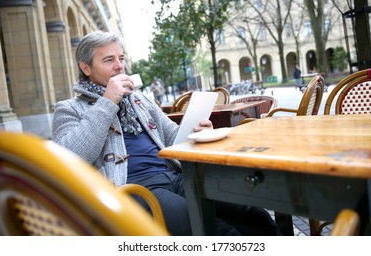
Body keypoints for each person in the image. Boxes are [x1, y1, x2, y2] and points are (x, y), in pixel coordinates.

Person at [52, 30, 281, 236]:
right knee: (217, 231)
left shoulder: (139, 99)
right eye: (109, 60)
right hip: (134, 188)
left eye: (121, 58)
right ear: (86, 68)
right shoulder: (69, 108)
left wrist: (194, 132)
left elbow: (172, 136)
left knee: (254, 214)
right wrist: (108, 101)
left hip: (177, 176)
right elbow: (71, 159)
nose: (119, 66)